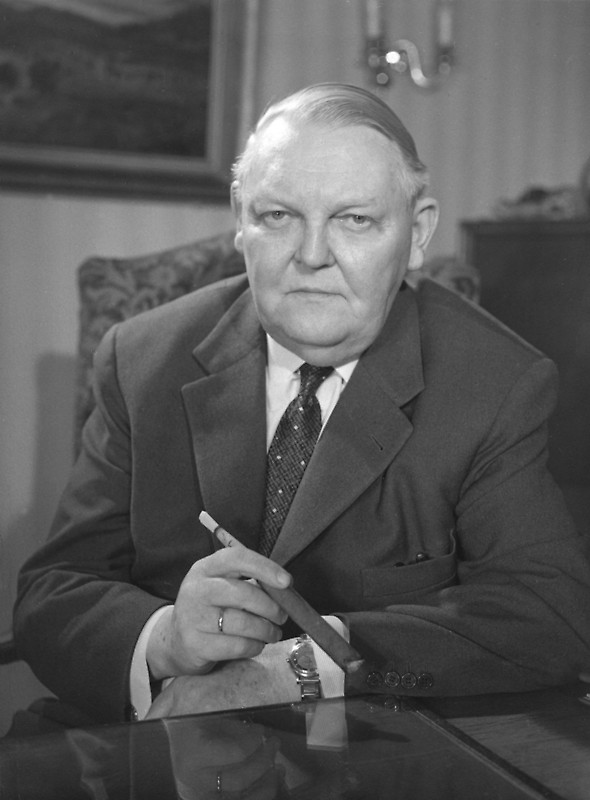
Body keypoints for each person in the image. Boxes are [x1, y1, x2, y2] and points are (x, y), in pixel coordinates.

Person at [13, 83, 590, 725]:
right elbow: (52, 594)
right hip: (150, 746)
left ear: (418, 232)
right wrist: (165, 640)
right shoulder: (142, 359)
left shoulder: (495, 384)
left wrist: (303, 669)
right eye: (278, 216)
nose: (312, 256)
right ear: (240, 220)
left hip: (375, 754)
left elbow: (547, 616)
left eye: (355, 220)